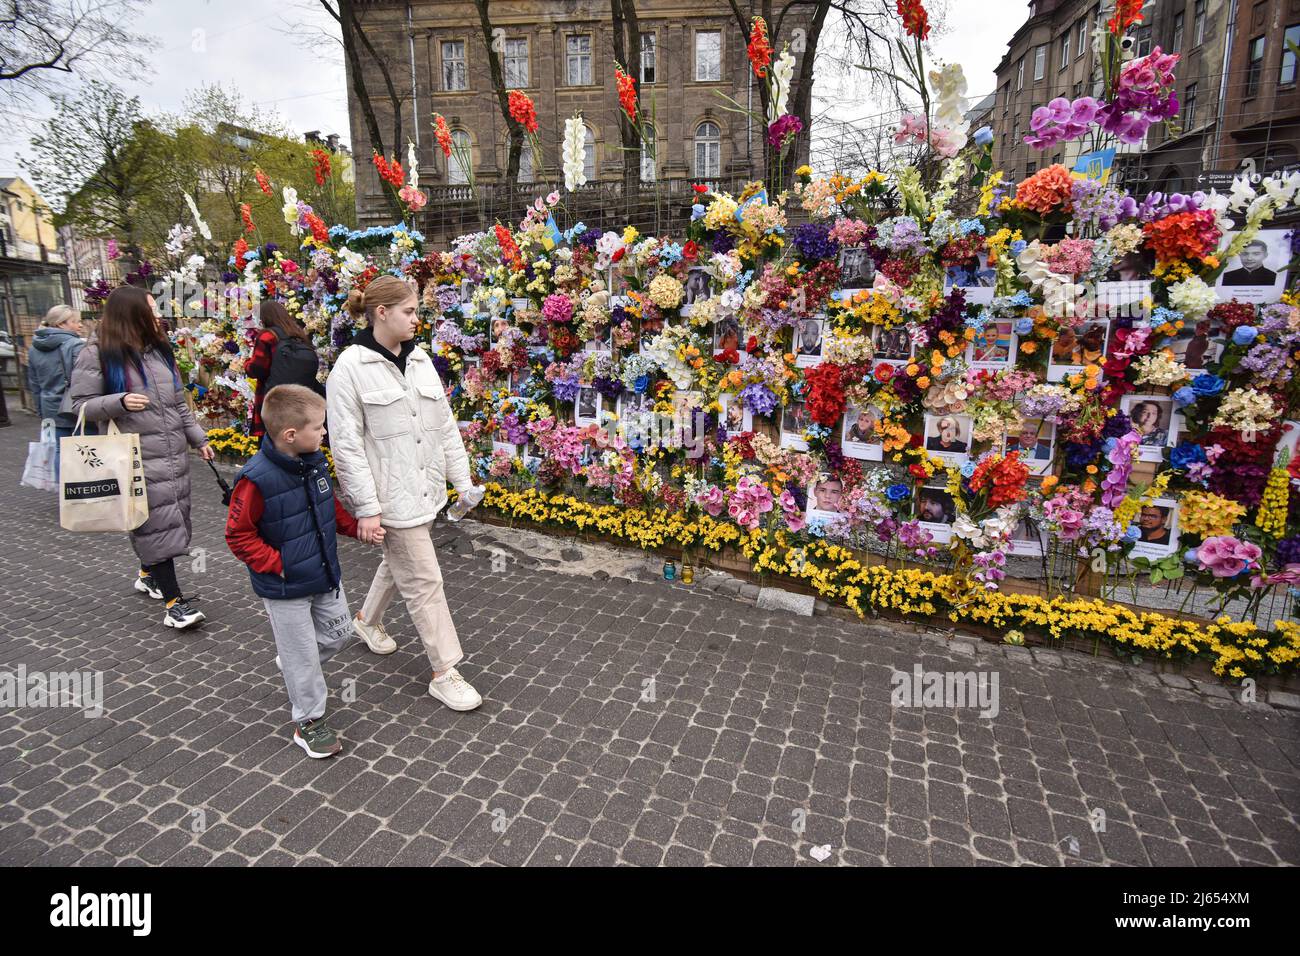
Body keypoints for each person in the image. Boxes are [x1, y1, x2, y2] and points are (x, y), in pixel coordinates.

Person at [326, 275, 485, 710]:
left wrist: (463, 483)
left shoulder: (420, 362)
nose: (417, 319)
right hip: (390, 500)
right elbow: (346, 447)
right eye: (409, 311)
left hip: (425, 491)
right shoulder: (350, 369)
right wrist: (367, 508)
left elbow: (445, 427)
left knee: (403, 564)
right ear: (382, 313)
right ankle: (444, 670)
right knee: (424, 579)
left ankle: (366, 620)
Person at [225, 385, 371, 758]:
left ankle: (293, 664)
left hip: (324, 575)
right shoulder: (255, 479)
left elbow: (329, 508)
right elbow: (238, 535)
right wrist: (280, 565)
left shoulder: (315, 461)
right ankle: (309, 721)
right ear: (291, 435)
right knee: (303, 656)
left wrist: (355, 528)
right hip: (284, 585)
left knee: (339, 635)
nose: (324, 433)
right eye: (319, 427)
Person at [68, 285, 214, 629]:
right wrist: (117, 402)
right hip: (132, 456)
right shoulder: (97, 353)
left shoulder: (159, 350)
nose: (157, 313)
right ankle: (175, 603)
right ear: (131, 313)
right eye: (151, 308)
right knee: (153, 524)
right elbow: (79, 406)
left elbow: (179, 403)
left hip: (172, 453)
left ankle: (149, 574)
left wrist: (198, 438)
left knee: (173, 519)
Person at [26, 304, 90, 476]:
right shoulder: (76, 345)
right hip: (75, 407)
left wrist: (41, 410)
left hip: (50, 407)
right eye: (75, 321)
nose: (81, 325)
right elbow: (84, 379)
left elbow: (34, 383)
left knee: (60, 451)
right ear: (61, 324)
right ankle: (87, 495)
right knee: (87, 450)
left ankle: (65, 494)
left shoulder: (34, 348)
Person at [246, 300, 323, 439]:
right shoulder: (297, 334)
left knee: (271, 446)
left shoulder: (267, 336)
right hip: (300, 400)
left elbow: (257, 369)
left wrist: (246, 364)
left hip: (274, 400)